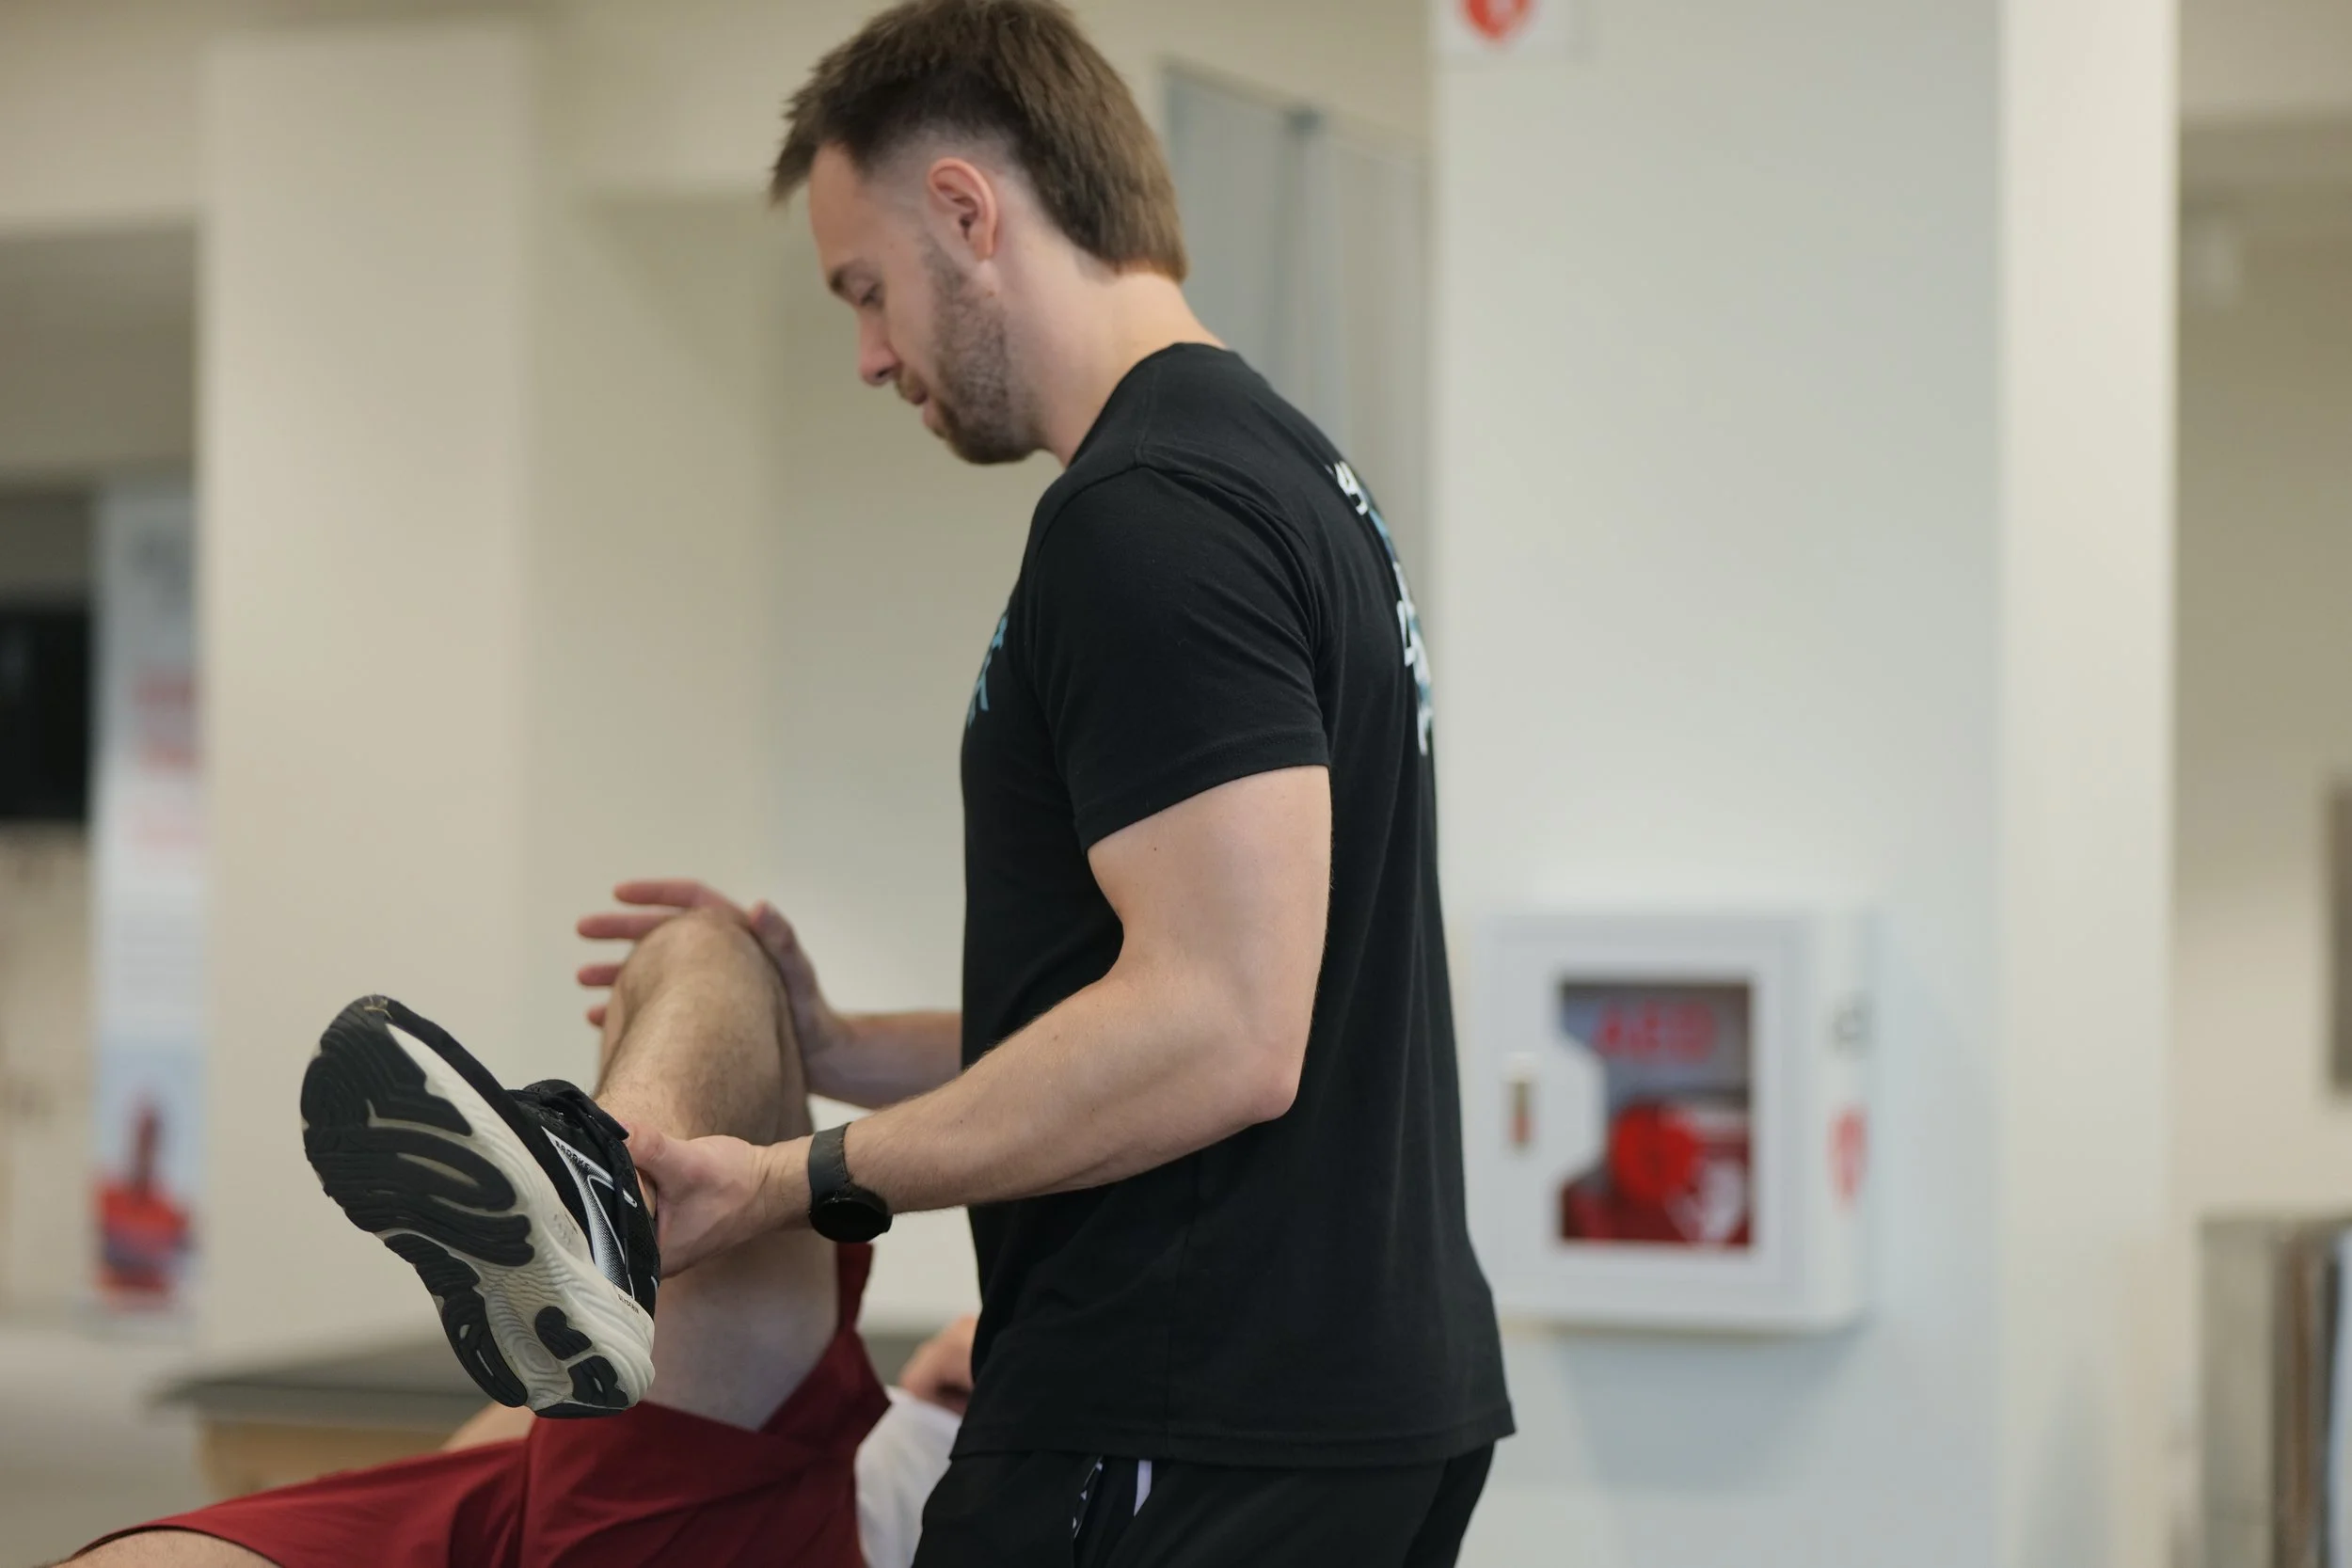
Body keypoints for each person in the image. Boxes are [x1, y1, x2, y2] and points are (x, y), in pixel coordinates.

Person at [612, 2, 1513, 1562]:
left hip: (1186, 1414)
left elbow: (1219, 1030)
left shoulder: (1146, 513)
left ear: (969, 211)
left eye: (867, 289)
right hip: (1331, 1404)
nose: (870, 355)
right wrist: (841, 1044)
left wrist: (792, 1179)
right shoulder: (1287, 475)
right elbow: (1177, 992)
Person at [68, 913, 969, 1568]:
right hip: (541, 1474)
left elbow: (1067, 1082)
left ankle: (601, 1200)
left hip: (764, 1498)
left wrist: (791, 1175)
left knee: (708, 950)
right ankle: (598, 1199)